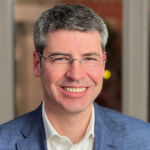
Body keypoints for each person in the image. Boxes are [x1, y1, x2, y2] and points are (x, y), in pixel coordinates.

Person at [0, 4, 150, 150]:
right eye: (61, 58)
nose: (76, 75)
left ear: (103, 63)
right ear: (37, 64)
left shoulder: (144, 140)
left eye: (89, 59)